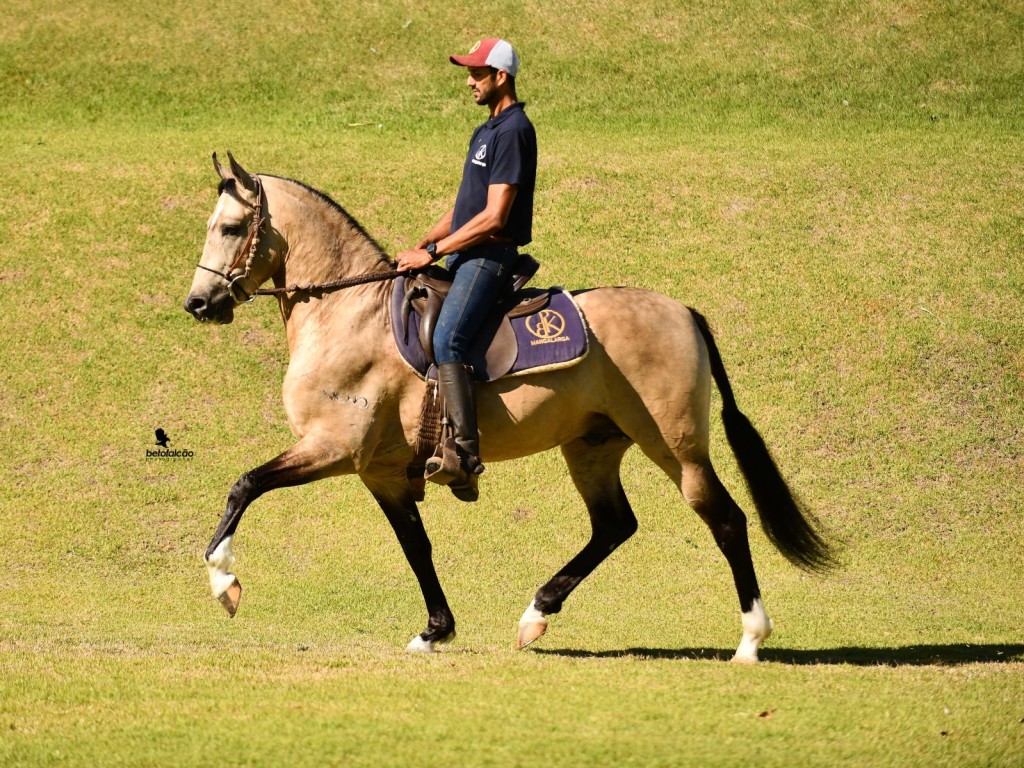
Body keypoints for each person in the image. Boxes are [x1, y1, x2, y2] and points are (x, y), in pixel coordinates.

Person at [395, 38, 537, 502]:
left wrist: (434, 251)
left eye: (477, 73)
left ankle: (465, 456)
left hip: (489, 256)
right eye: (469, 72)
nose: (469, 81)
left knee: (447, 338)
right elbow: (464, 209)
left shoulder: (515, 129)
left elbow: (495, 217)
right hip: (462, 249)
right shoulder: (484, 131)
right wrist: (421, 244)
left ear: (502, 76)